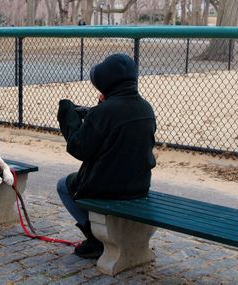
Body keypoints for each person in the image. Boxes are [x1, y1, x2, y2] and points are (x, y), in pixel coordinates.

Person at [56, 53, 156, 259]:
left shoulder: (104, 112)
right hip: (139, 186)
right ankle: (107, 237)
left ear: (107, 81)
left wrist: (68, 115)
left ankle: (95, 238)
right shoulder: (146, 108)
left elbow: (79, 148)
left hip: (106, 188)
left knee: (63, 185)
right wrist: (100, 110)